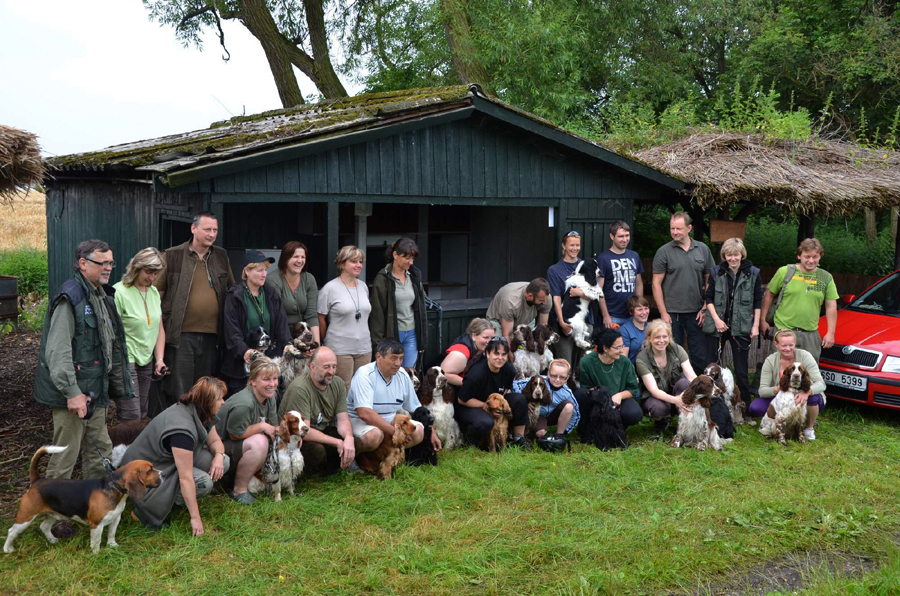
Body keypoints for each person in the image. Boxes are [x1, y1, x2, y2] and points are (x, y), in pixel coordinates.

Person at [33, 240, 134, 537]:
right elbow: (59, 352)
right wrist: (72, 393)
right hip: (73, 395)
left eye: (111, 263)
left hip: (96, 391)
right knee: (65, 455)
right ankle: (52, 518)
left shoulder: (102, 295)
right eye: (101, 263)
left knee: (99, 451)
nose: (108, 268)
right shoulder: (70, 297)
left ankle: (96, 508)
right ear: (82, 262)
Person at [122, 376, 229, 533]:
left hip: (170, 461)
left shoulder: (200, 411)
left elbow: (215, 442)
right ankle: (146, 509)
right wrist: (195, 518)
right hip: (143, 475)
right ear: (207, 401)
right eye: (220, 399)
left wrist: (219, 456)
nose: (223, 402)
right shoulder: (182, 430)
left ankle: (179, 498)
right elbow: (185, 477)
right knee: (203, 482)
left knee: (224, 461)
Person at [155, 211, 234, 404]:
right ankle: (181, 431)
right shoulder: (172, 255)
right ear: (193, 228)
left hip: (212, 337)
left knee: (204, 391)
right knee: (180, 390)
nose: (212, 234)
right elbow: (156, 295)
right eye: (207, 229)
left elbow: (232, 291)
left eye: (215, 230)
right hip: (180, 335)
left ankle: (200, 430)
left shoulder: (221, 256)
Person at [346, 338, 438, 454]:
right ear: (378, 357)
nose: (398, 364)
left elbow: (416, 409)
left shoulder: (403, 375)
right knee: (374, 436)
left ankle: (389, 456)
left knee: (418, 431)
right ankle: (356, 459)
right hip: (360, 422)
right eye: (393, 358)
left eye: (401, 359)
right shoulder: (364, 375)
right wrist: (394, 431)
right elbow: (364, 413)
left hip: (391, 423)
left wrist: (431, 432)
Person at [651, 211, 715, 375]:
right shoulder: (663, 251)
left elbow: (710, 281)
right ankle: (673, 392)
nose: (674, 232)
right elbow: (656, 284)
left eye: (678, 228)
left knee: (700, 354)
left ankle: (701, 389)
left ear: (689, 228)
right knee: (672, 354)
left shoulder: (702, 249)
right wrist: (663, 313)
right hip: (672, 313)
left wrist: (705, 307)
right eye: (672, 228)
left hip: (697, 312)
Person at [221, 250, 292, 397]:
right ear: (247, 271)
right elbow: (231, 330)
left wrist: (287, 344)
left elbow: (281, 323)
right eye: (260, 270)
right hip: (240, 366)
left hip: (268, 362)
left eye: (266, 270)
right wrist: (244, 351)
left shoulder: (271, 293)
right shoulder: (235, 295)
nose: (264, 274)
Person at [702, 237, 762, 409]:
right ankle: (710, 404)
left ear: (741, 254)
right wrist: (717, 320)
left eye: (736, 255)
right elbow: (709, 297)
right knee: (710, 367)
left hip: (741, 326)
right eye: (729, 255)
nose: (733, 259)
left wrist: (756, 325)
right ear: (724, 256)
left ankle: (744, 408)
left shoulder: (753, 273)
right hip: (717, 325)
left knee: (742, 370)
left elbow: (758, 300)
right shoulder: (716, 272)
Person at [278, 346, 356, 475]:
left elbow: (343, 419)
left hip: (321, 430)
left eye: (334, 366)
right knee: (318, 452)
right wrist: (337, 442)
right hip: (297, 437)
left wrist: (348, 438)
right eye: (326, 367)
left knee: (355, 442)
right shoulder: (300, 388)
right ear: (312, 367)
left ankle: (333, 467)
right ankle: (310, 471)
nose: (331, 372)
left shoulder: (338, 383)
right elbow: (304, 431)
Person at [215, 357, 281, 505]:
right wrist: (261, 427)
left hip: (238, 445)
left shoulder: (270, 396)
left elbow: (273, 425)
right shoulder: (245, 403)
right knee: (260, 442)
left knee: (267, 440)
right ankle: (239, 489)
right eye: (266, 379)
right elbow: (235, 434)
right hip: (217, 449)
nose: (272, 384)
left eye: (275, 378)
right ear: (253, 381)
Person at [759, 238, 838, 361]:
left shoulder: (826, 277)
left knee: (808, 374)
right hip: (783, 330)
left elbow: (831, 306)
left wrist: (831, 333)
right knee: (779, 372)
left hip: (810, 334)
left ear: (820, 257)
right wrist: (762, 320)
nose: (811, 261)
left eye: (815, 257)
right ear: (799, 256)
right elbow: (768, 295)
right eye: (807, 257)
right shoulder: (785, 272)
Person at [113, 247, 167, 421]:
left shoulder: (153, 292)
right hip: (125, 360)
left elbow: (159, 328)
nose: (152, 278)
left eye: (156, 274)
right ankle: (123, 448)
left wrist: (159, 359)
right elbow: (111, 333)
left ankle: (135, 447)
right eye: (149, 272)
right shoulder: (118, 292)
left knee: (143, 412)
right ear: (136, 268)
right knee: (131, 415)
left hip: (147, 359)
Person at [749, 329, 826, 441]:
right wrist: (778, 388)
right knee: (755, 408)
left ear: (795, 343)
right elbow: (762, 391)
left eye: (791, 345)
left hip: (803, 394)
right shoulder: (770, 360)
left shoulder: (805, 356)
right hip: (781, 396)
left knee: (814, 398)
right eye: (784, 345)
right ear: (776, 344)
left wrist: (807, 392)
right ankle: (779, 423)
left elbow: (821, 384)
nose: (788, 348)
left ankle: (808, 428)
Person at [454, 336, 530, 449]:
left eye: (504, 354)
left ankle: (518, 438)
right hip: (470, 405)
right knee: (485, 423)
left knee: (520, 400)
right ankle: (470, 440)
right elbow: (462, 399)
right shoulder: (476, 374)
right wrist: (487, 407)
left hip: (494, 401)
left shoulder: (509, 370)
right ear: (488, 354)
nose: (500, 358)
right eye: (496, 354)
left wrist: (500, 408)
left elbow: (504, 392)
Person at [369, 237, 428, 369]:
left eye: (412, 259)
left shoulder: (414, 276)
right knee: (392, 372)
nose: (411, 262)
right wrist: (378, 346)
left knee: (409, 374)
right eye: (407, 258)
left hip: (412, 332)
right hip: (392, 333)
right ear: (395, 255)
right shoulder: (382, 279)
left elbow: (421, 309)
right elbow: (377, 316)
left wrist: (422, 340)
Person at [574, 328, 643, 439]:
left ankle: (616, 429)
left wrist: (619, 395)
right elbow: (585, 387)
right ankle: (586, 428)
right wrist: (604, 398)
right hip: (597, 400)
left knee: (634, 413)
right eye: (617, 347)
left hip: (619, 401)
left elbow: (633, 389)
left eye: (622, 346)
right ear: (605, 348)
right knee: (580, 394)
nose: (622, 350)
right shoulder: (586, 361)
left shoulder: (625, 362)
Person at [318, 246, 372, 387]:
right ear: (342, 264)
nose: (359, 265)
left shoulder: (363, 286)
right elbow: (321, 318)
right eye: (354, 261)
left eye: (361, 261)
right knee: (344, 387)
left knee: (363, 386)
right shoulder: (329, 289)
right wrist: (324, 342)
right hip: (340, 347)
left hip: (364, 347)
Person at [635, 319, 697, 426]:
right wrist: (676, 400)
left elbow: (692, 376)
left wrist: (701, 394)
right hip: (655, 397)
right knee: (658, 408)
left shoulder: (678, 350)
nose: (661, 340)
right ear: (649, 338)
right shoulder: (641, 359)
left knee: (685, 384)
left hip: (676, 392)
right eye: (657, 337)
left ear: (669, 337)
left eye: (664, 336)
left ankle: (685, 422)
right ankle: (662, 421)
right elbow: (654, 390)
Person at [547, 231, 589, 367]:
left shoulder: (587, 266)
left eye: (577, 245)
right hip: (564, 324)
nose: (575, 248)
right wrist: (561, 322)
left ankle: (583, 389)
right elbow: (556, 298)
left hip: (585, 322)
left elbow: (596, 292)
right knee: (565, 364)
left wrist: (581, 293)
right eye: (571, 245)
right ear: (564, 246)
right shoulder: (554, 270)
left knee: (583, 365)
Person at [265, 241, 320, 343]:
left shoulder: (309, 279)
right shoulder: (272, 280)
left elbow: (311, 315)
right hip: (280, 336)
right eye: (295, 257)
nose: (300, 261)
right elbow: (277, 316)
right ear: (285, 258)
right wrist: (291, 345)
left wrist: (316, 345)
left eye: (303, 257)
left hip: (305, 334)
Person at [513, 359, 580, 438]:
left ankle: (559, 435)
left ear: (567, 378)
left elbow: (576, 415)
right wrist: (525, 400)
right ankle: (532, 432)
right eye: (554, 376)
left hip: (554, 416)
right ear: (548, 373)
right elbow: (515, 384)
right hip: (539, 416)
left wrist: (567, 430)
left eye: (562, 377)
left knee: (569, 406)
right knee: (540, 433)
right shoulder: (540, 380)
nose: (557, 380)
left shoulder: (567, 393)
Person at [597, 221, 644, 328]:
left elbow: (638, 283)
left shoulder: (634, 256)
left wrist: (639, 308)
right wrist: (605, 315)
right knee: (614, 345)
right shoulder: (603, 258)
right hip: (613, 316)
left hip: (632, 315)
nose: (625, 239)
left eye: (627, 236)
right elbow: (598, 289)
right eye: (621, 236)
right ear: (612, 236)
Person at [485, 278, 552, 347]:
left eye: (545, 299)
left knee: (530, 347)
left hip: (527, 320)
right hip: (499, 321)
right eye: (541, 300)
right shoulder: (511, 301)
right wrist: (511, 355)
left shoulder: (546, 298)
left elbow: (541, 329)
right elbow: (506, 335)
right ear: (530, 296)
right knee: (499, 347)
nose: (545, 303)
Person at [440, 318, 495, 394]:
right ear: (474, 336)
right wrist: (472, 384)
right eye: (485, 337)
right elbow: (443, 374)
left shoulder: (483, 349)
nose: (489, 342)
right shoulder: (460, 353)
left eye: (492, 338)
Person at [619, 295, 650, 364]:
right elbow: (623, 358)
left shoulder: (652, 327)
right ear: (631, 312)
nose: (644, 312)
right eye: (640, 309)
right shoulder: (625, 330)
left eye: (646, 308)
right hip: (633, 368)